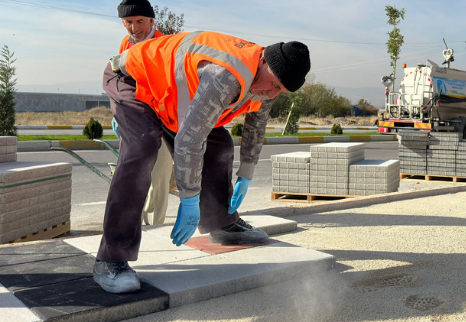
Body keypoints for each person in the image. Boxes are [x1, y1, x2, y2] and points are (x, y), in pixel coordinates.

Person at [93, 30, 310, 294]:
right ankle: (110, 258)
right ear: (264, 61)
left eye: (280, 91)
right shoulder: (226, 75)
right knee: (142, 147)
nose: (271, 93)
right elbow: (190, 140)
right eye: (274, 85)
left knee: (219, 145)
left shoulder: (267, 84)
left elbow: (256, 127)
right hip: (134, 79)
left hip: (170, 95)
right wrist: (189, 198)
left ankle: (221, 223)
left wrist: (247, 172)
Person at [114, 0, 171, 226]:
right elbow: (121, 79)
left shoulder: (165, 46)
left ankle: (155, 227)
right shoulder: (125, 44)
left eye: (139, 21)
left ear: (151, 21)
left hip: (162, 118)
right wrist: (119, 112)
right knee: (131, 173)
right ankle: (131, 224)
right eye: (128, 22)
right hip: (132, 117)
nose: (134, 27)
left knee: (158, 176)